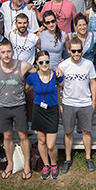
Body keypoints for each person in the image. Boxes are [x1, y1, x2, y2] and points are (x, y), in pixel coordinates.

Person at [0, 39, 36, 179]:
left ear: (13, 52)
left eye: (9, 52)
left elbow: (39, 74)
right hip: (3, 106)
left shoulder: (23, 66)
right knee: (7, 136)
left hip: (19, 106)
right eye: (3, 52)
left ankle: (27, 165)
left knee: (23, 135)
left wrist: (27, 89)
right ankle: (10, 163)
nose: (6, 55)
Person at [58, 37, 96, 173]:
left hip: (85, 103)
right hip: (68, 103)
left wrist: (93, 102)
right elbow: (58, 85)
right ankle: (68, 159)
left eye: (79, 51)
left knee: (86, 131)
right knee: (68, 132)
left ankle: (88, 158)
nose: (76, 54)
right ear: (69, 50)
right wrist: (60, 102)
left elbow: (93, 82)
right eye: (73, 51)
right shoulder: (63, 66)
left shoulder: (88, 64)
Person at [26, 51, 63, 179]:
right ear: (37, 63)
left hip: (52, 110)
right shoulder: (32, 77)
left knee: (51, 144)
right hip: (38, 110)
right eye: (41, 62)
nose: (44, 64)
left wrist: (59, 103)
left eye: (47, 61)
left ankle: (54, 164)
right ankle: (46, 165)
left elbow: (58, 88)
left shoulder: (56, 75)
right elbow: (26, 88)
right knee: (41, 140)